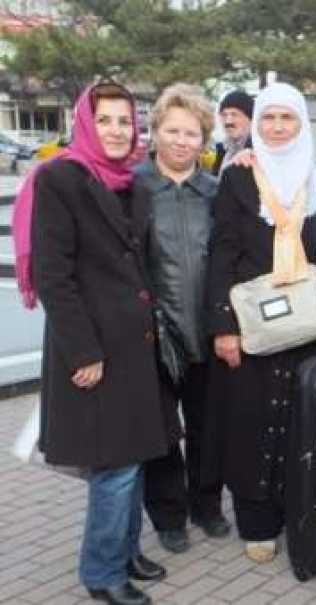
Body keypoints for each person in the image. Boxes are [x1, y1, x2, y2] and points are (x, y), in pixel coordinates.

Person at [16, 82, 176, 605]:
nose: (116, 130)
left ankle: (126, 552)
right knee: (115, 465)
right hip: (95, 348)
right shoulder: (60, 179)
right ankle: (102, 572)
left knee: (137, 455)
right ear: (84, 123)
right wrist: (83, 352)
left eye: (125, 120)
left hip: (137, 344)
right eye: (104, 120)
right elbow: (53, 276)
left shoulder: (133, 182)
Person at [205, 82, 316, 563]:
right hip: (254, 324)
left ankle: (299, 513)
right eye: (268, 118)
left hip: (310, 325)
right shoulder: (238, 177)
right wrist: (223, 326)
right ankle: (257, 522)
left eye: (286, 118)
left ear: (301, 123)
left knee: (302, 424)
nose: (276, 127)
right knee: (251, 422)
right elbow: (222, 252)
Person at [134, 83, 231, 555]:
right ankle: (169, 515)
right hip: (154, 333)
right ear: (155, 132)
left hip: (208, 331)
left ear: (204, 139)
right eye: (172, 130)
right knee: (162, 433)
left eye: (191, 133)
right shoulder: (133, 189)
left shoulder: (216, 191)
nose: (181, 141)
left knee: (208, 428)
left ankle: (206, 504)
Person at [211, 90, 254, 175]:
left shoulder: (257, 152)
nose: (228, 121)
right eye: (224, 115)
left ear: (250, 118)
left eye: (234, 115)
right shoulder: (223, 149)